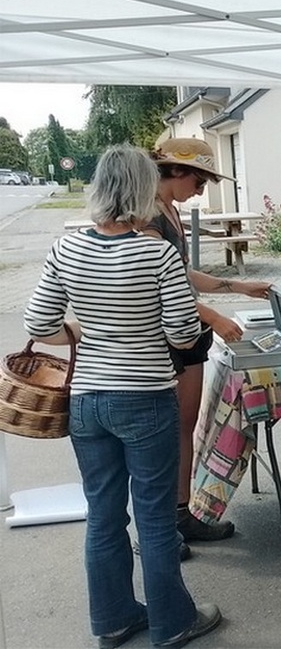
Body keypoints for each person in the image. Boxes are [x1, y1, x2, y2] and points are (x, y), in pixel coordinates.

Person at [24, 144, 222, 648]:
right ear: (140, 188)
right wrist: (141, 330)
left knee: (104, 514)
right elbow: (182, 333)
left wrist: (85, 332)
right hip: (145, 397)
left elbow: (38, 324)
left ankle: (112, 620)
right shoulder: (155, 252)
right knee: (154, 519)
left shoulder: (67, 248)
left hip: (88, 401)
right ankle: (172, 621)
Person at [146, 137, 272, 546]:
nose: (201, 191)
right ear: (176, 171)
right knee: (168, 431)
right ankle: (162, 525)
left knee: (185, 425)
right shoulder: (148, 216)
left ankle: (180, 514)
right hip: (168, 338)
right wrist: (213, 316)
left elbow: (184, 273)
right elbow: (161, 285)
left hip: (185, 335)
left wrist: (236, 286)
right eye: (200, 181)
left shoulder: (170, 211)